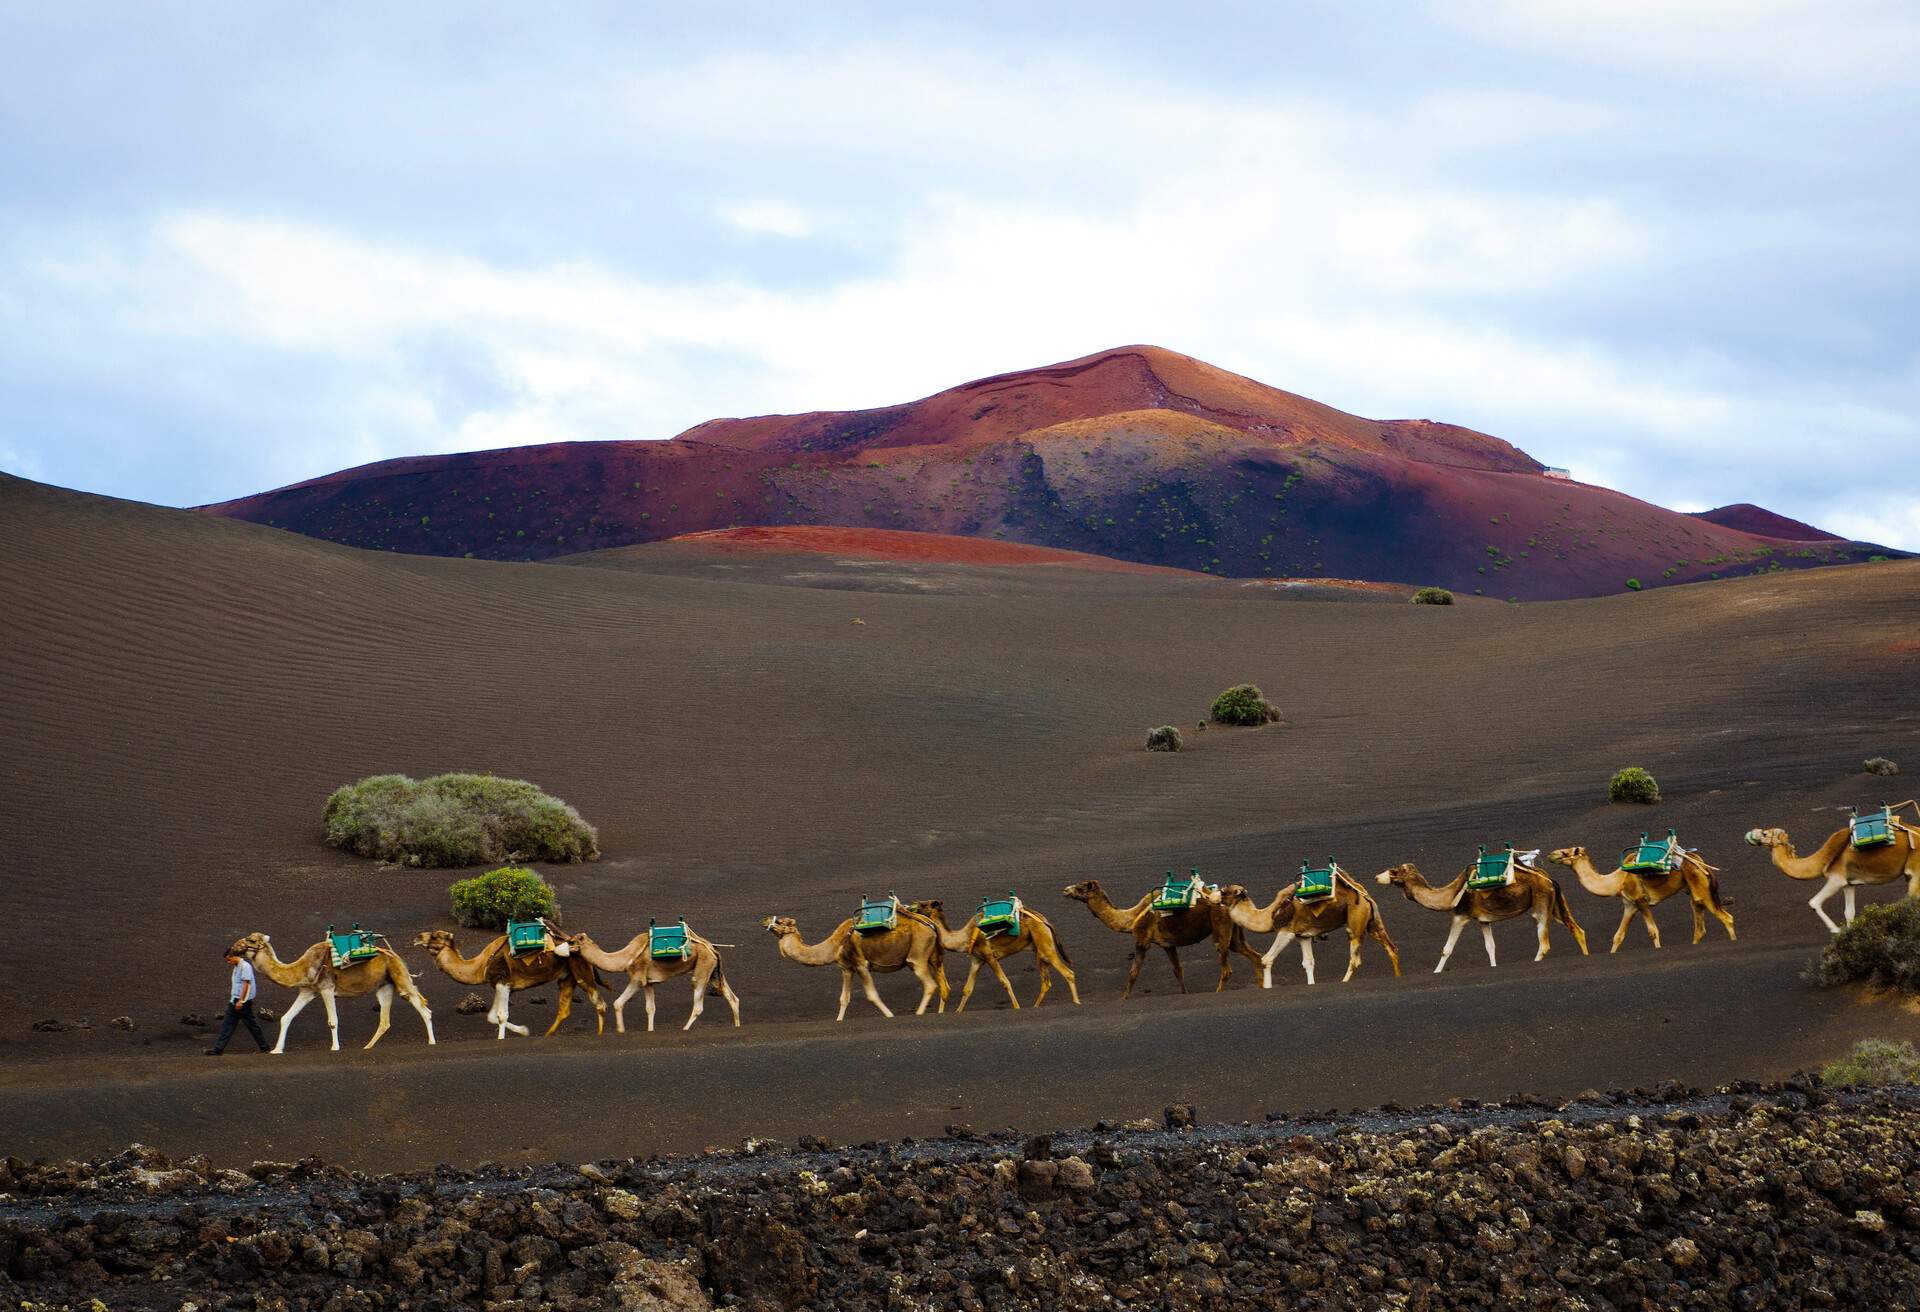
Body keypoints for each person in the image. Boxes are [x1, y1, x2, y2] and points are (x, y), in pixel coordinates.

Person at [208, 949, 270, 1056]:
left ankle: (264, 1046)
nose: (228, 962)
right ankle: (218, 1049)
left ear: (233, 956)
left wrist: (241, 1001)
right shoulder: (237, 967)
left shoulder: (245, 967)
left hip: (243, 1002)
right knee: (228, 1024)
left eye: (228, 960)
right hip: (235, 1000)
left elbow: (246, 984)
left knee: (250, 1025)